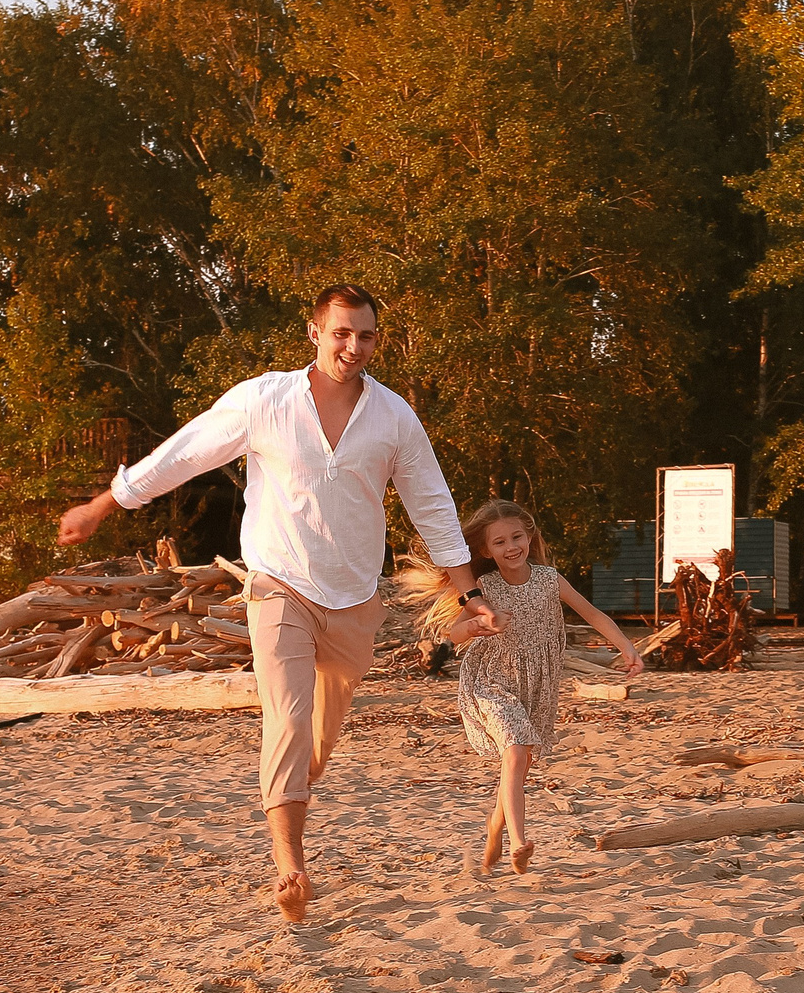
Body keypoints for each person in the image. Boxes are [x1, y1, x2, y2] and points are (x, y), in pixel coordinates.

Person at [57, 285, 493, 923]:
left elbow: (433, 508)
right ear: (314, 333)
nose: (353, 346)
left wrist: (471, 594)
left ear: (377, 340)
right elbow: (183, 453)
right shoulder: (265, 400)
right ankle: (290, 865)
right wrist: (104, 505)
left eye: (365, 336)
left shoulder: (394, 417)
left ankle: (288, 791)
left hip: (353, 600)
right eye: (341, 333)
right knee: (286, 721)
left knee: (318, 742)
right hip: (277, 584)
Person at [401, 499, 644, 874]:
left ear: (529, 535)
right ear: (485, 550)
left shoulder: (549, 579)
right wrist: (478, 625)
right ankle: (520, 842)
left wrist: (627, 647)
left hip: (537, 682)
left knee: (519, 763)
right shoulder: (483, 587)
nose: (511, 547)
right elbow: (455, 633)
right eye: (499, 542)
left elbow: (592, 613)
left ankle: (494, 831)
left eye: (517, 536)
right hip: (492, 679)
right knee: (515, 753)